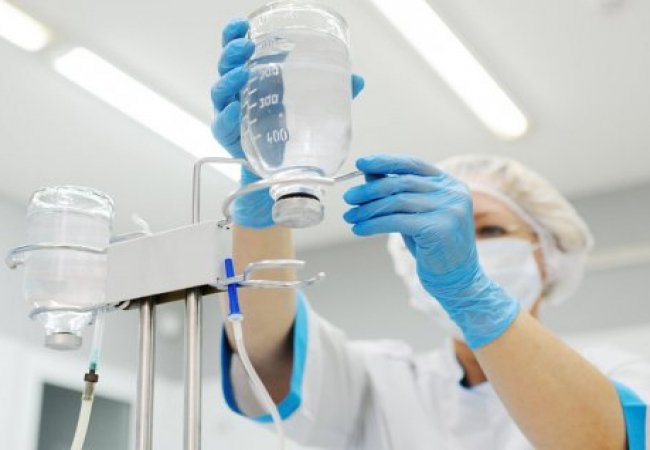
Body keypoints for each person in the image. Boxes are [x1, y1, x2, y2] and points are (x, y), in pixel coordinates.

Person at [212, 19, 649, 450]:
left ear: (548, 256)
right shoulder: (380, 383)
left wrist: (469, 290)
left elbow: (602, 441)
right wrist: (266, 187)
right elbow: (263, 353)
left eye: (490, 229)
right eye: (450, 234)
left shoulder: (616, 374)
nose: (468, 249)